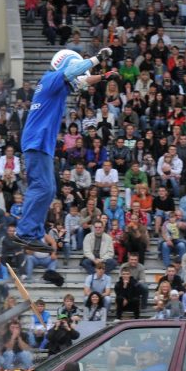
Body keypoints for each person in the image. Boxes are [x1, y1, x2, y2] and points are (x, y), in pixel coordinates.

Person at [18, 48, 114, 251]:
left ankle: (33, 233)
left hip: (41, 142)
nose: (77, 80)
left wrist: (103, 76)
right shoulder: (51, 78)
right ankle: (24, 233)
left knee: (49, 189)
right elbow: (73, 73)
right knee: (41, 187)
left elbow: (81, 81)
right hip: (37, 141)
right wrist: (97, 58)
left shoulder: (58, 85)